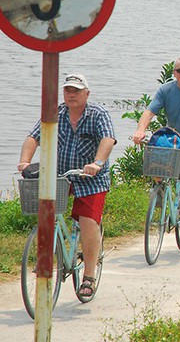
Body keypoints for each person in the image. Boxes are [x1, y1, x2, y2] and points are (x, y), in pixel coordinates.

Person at [17, 74, 116, 299]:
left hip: (91, 179)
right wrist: (24, 160)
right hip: (62, 176)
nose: (72, 94)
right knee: (46, 214)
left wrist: (97, 163)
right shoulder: (56, 113)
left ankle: (89, 277)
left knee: (88, 222)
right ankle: (47, 256)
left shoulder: (98, 114)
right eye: (68, 90)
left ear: (87, 93)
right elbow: (33, 138)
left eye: (77, 90)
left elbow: (107, 139)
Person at [132, 57, 180, 247]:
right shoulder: (166, 89)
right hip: (172, 140)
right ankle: (161, 193)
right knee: (156, 170)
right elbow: (149, 112)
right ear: (174, 73)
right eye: (179, 70)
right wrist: (141, 130)